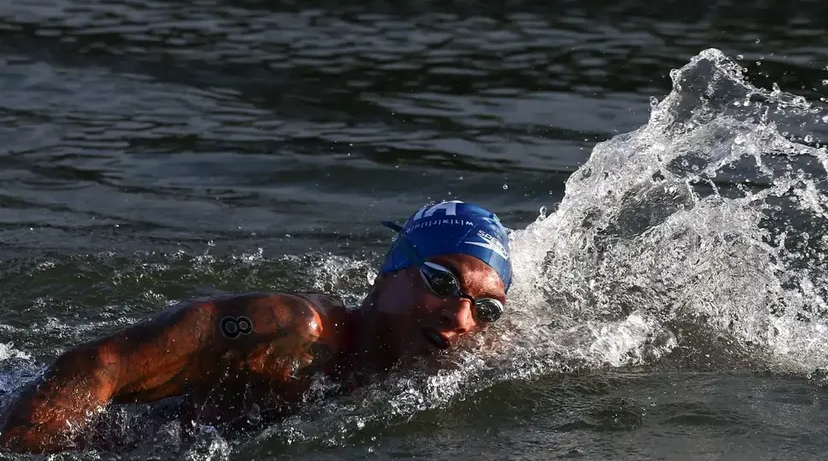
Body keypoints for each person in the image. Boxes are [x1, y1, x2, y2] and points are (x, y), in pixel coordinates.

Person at [0, 200, 513, 454]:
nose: (460, 316)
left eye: (485, 308)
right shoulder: (291, 331)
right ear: (389, 274)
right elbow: (101, 366)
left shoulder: (459, 360)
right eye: (441, 281)